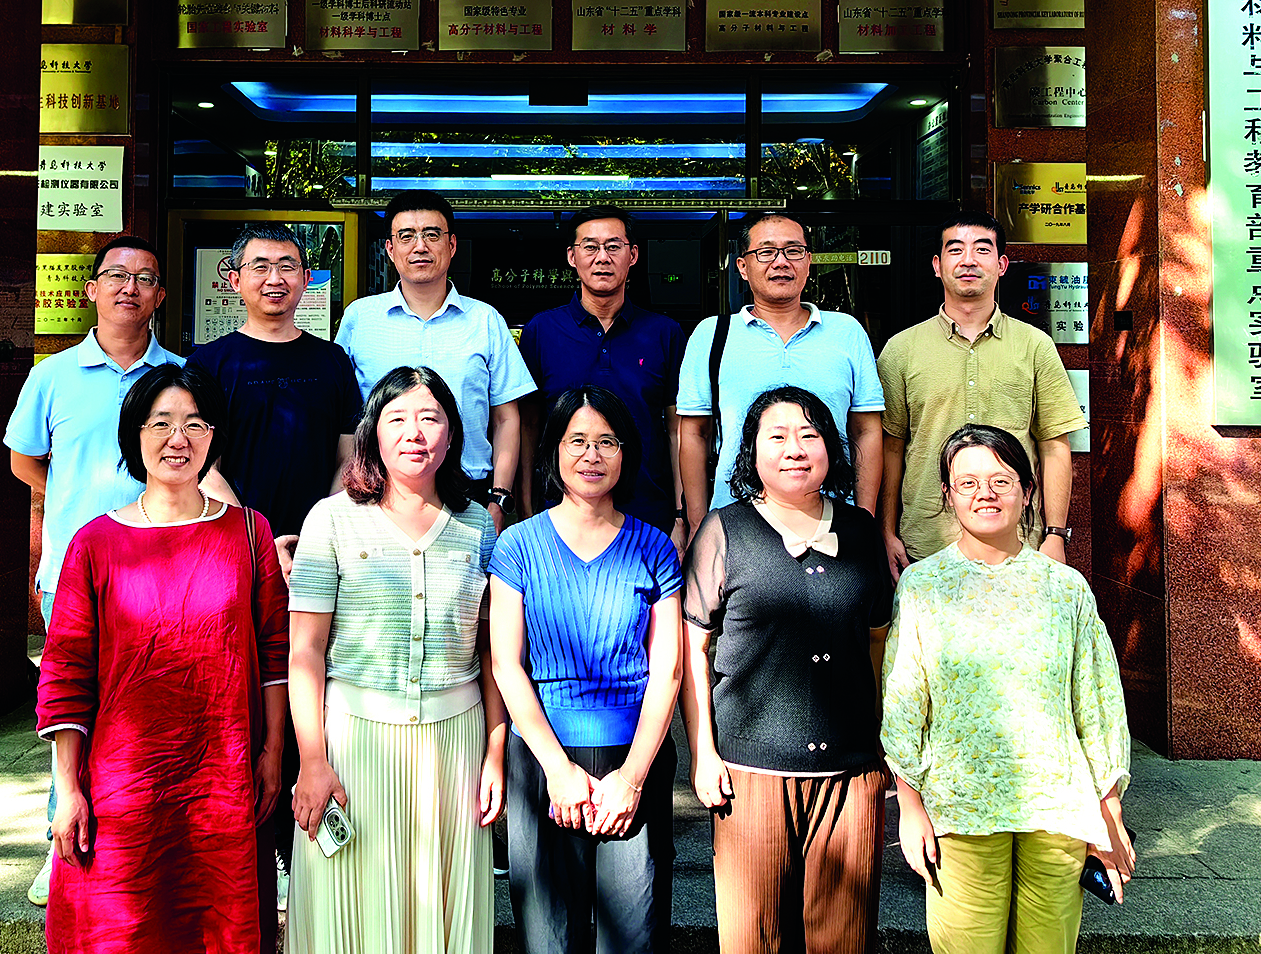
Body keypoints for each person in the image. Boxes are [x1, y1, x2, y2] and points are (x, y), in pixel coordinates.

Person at [35, 362, 289, 954]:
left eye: (195, 424)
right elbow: (66, 671)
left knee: (218, 925)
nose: (179, 439)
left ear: (213, 437)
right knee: (125, 927)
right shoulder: (95, 543)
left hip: (223, 776)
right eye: (162, 423)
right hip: (124, 784)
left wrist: (273, 751)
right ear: (136, 434)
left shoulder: (248, 533)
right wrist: (67, 788)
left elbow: (275, 653)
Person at [883, 424, 1134, 954]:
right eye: (968, 483)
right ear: (948, 495)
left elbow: (1097, 701)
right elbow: (905, 700)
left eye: (1001, 480)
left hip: (1057, 807)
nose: (986, 494)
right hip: (961, 805)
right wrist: (909, 804)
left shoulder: (1064, 587)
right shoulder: (923, 585)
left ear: (1027, 490)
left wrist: (1108, 807)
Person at [284, 366, 506, 954]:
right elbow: (304, 651)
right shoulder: (330, 519)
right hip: (352, 745)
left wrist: (495, 753)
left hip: (454, 748)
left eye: (431, 418)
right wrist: (312, 760)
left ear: (453, 435)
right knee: (348, 910)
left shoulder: (478, 527)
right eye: (397, 418)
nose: (415, 433)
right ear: (372, 434)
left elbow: (492, 653)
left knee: (442, 908)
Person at [680, 386, 894, 954]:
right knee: (754, 939)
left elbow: (878, 639)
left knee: (845, 940)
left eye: (809, 434)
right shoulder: (724, 531)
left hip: (850, 774)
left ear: (831, 448)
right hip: (750, 774)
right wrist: (703, 752)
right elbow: (693, 649)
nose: (794, 448)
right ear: (751, 452)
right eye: (776, 436)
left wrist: (881, 742)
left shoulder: (861, 531)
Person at [188, 220, 362, 911]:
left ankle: (312, 845)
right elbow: (198, 460)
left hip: (321, 556)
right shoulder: (209, 361)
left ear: (307, 278)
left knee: (313, 691)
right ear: (233, 279)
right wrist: (260, 538)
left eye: (288, 265)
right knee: (247, 698)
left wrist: (317, 534)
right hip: (235, 554)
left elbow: (350, 454)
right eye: (260, 265)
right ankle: (250, 851)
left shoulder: (331, 360)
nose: (275, 278)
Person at [5, 233, 182, 906]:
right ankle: (62, 848)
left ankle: (147, 841)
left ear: (160, 295)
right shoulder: (52, 375)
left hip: (163, 573)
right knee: (72, 713)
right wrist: (73, 507)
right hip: (74, 575)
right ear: (92, 289)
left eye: (145, 277)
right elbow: (24, 460)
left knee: (151, 712)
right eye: (117, 275)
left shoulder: (179, 375)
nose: (129, 287)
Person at [489, 386, 683, 954]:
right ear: (554, 450)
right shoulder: (518, 546)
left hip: (634, 759)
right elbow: (506, 663)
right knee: (549, 938)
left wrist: (632, 779)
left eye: (607, 442)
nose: (592, 455)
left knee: (634, 938)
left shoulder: (654, 549)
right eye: (577, 441)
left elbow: (668, 670)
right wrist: (558, 770)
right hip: (542, 761)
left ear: (626, 453)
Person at [876, 212, 1087, 579]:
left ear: (1001, 265)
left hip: (1017, 543)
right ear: (937, 266)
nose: (969, 260)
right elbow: (891, 448)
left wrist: (1055, 534)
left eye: (982, 249)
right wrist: (886, 531)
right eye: (956, 250)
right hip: (925, 545)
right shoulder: (901, 350)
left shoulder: (1035, 346)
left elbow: (1054, 444)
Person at [336, 192, 535, 529]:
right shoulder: (360, 318)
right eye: (406, 236)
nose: (420, 246)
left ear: (452, 245)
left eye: (431, 234)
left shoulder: (485, 320)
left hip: (469, 496)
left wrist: (499, 499)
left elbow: (506, 418)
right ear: (390, 249)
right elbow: (343, 417)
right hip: (377, 495)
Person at [677, 212, 884, 536]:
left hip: (834, 522)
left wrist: (864, 519)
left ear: (808, 261)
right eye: (766, 252)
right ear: (742, 266)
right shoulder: (711, 335)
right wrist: (698, 525)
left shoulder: (847, 332)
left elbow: (866, 430)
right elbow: (694, 434)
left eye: (793, 251)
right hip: (736, 524)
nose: (781, 262)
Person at [518, 206, 688, 552]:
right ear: (572, 256)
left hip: (648, 516)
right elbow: (528, 427)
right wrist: (525, 509)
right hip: (560, 515)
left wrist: (681, 516)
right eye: (590, 247)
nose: (602, 258)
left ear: (633, 255)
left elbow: (677, 431)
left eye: (613, 246)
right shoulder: (542, 331)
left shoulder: (664, 333)